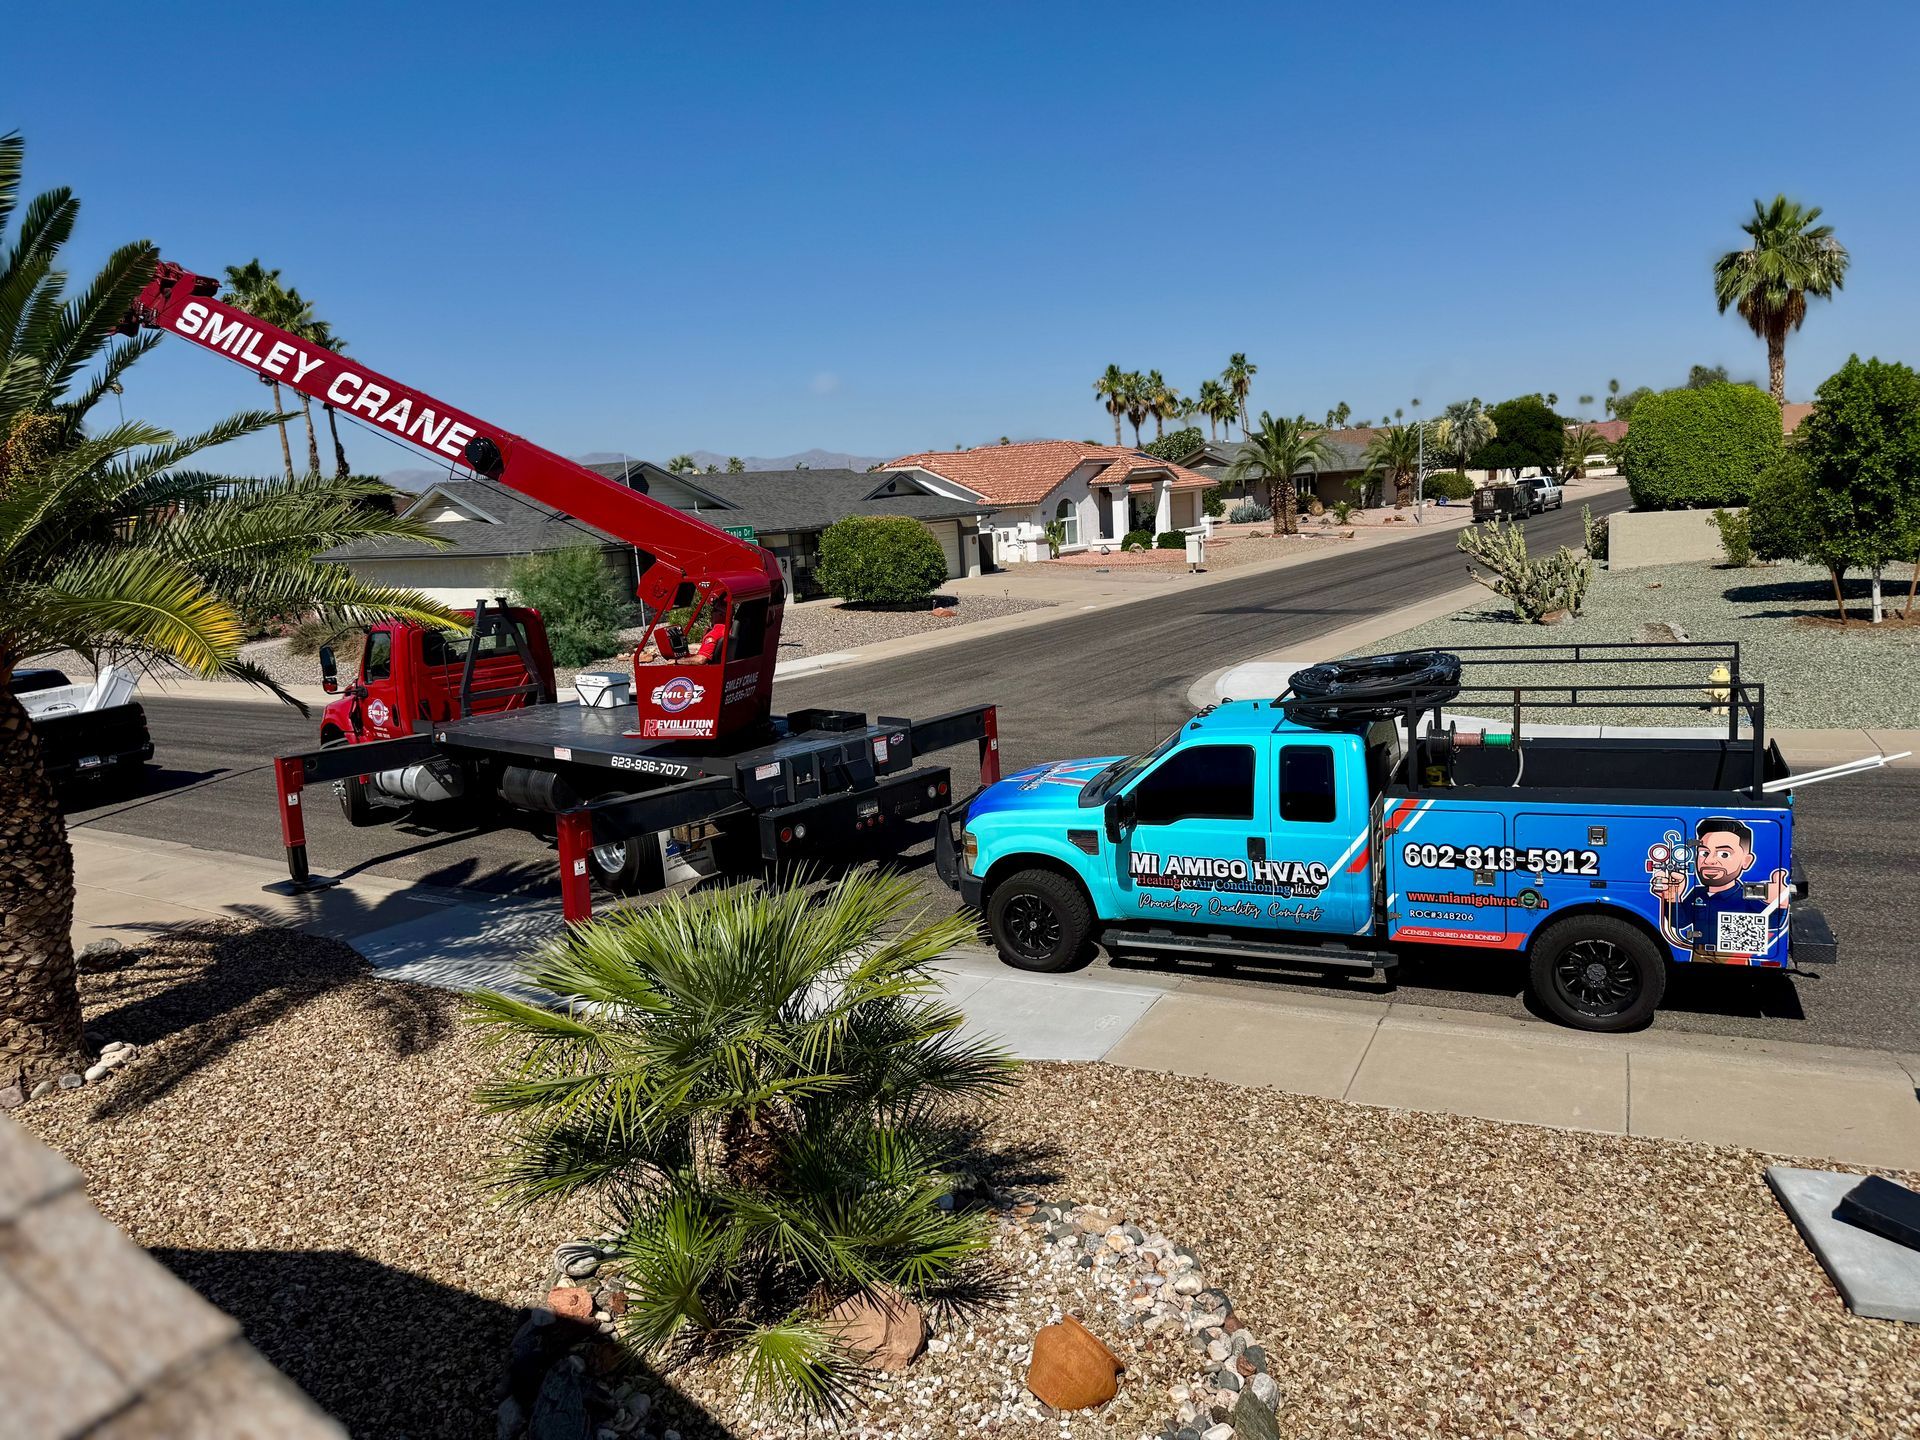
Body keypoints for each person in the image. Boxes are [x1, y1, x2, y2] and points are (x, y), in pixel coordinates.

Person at [1650, 816, 1788, 959]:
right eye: (1704, 852)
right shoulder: (1698, 892)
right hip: (1699, 955)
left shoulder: (1746, 894)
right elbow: (1681, 922)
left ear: (1746, 861)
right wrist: (1673, 897)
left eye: (1724, 854)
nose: (1709, 861)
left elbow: (1771, 923)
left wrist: (1781, 902)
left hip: (1733, 957)